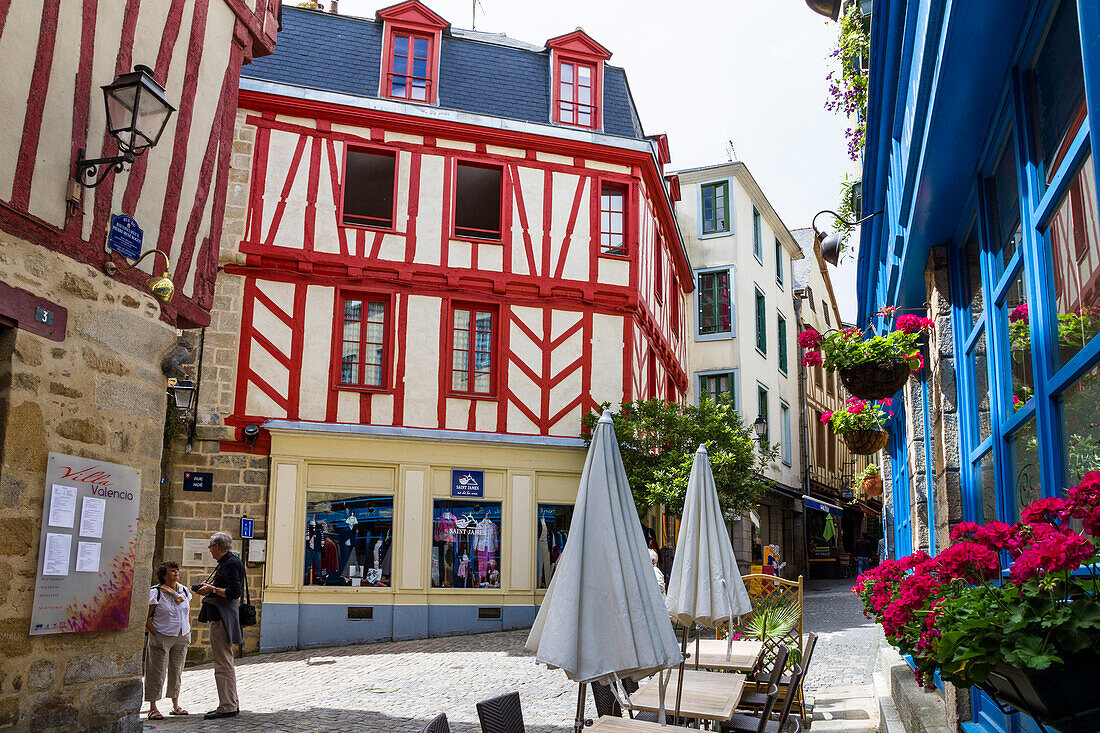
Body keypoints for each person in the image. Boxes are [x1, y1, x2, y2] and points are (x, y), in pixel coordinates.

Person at [196, 531, 245, 720]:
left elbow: (234, 592)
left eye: (210, 547)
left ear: (217, 547)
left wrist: (212, 589)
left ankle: (227, 706)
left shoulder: (231, 563)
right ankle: (230, 703)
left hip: (221, 618)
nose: (209, 550)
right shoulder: (228, 562)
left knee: (223, 663)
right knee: (224, 661)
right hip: (220, 616)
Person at [144, 561, 192, 720]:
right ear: (163, 575)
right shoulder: (156, 592)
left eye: (176, 569)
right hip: (162, 636)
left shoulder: (183, 590)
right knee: (156, 671)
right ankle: (153, 707)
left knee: (176, 671)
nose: (176, 572)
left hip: (181, 636)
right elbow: (147, 617)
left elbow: (187, 611)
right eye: (172, 570)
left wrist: (188, 628)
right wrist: (155, 633)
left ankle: (175, 705)